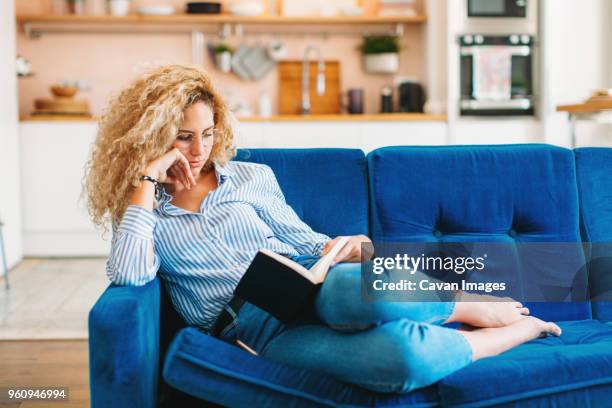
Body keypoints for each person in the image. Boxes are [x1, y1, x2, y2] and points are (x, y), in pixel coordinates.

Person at [84, 65, 561, 394]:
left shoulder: (250, 178)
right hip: (255, 333)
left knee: (354, 290)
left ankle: (466, 304)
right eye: (183, 136)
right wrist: (146, 181)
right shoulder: (145, 211)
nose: (198, 150)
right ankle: (520, 332)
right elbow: (128, 275)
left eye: (207, 134)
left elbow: (306, 242)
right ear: (152, 136)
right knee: (401, 362)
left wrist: (351, 248)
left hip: (312, 282)